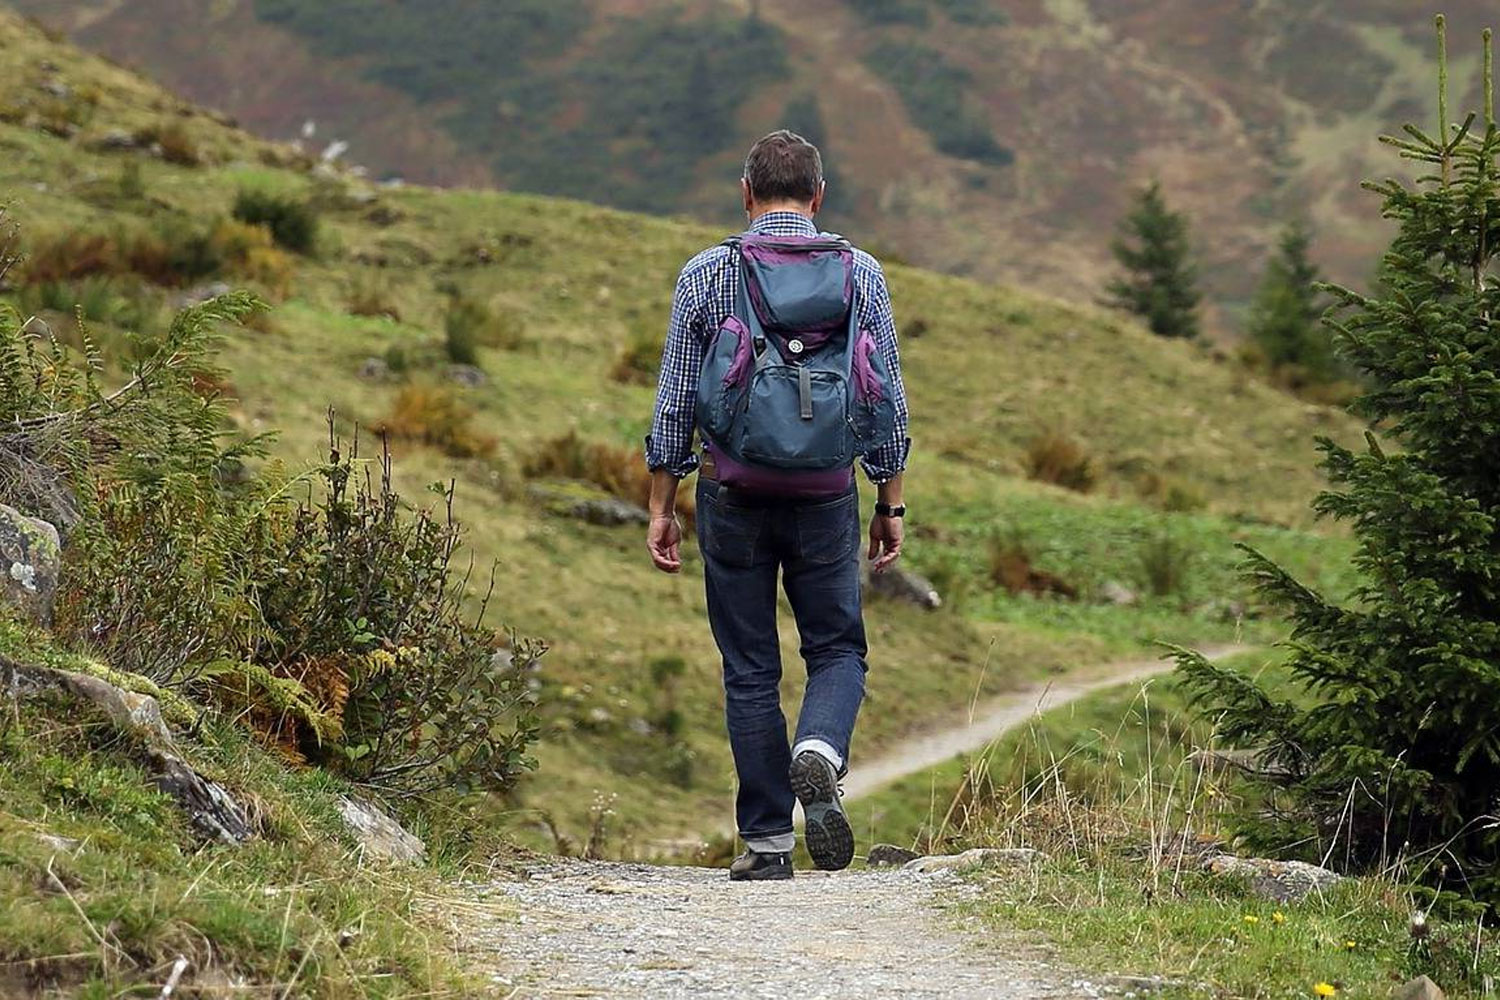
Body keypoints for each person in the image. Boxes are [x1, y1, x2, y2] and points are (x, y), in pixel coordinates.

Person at [643, 129, 911, 881]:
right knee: (836, 647)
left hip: (732, 491)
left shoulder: (706, 273)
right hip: (827, 493)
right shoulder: (862, 274)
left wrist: (663, 501)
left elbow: (673, 403)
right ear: (818, 196)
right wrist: (889, 501)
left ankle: (766, 844)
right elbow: (885, 397)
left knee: (750, 666)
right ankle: (819, 749)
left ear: (746, 193)